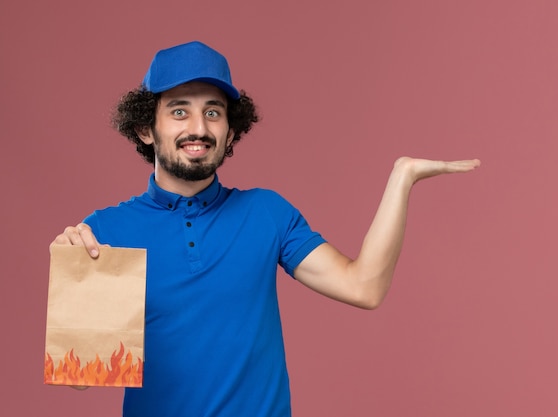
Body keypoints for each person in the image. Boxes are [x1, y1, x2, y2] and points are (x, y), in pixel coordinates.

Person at [51, 40, 480, 417]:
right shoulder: (106, 229)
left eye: (213, 113)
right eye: (179, 111)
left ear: (231, 130)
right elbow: (81, 376)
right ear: (146, 128)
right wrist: (74, 282)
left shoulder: (265, 212)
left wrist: (402, 178)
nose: (198, 129)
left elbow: (364, 287)